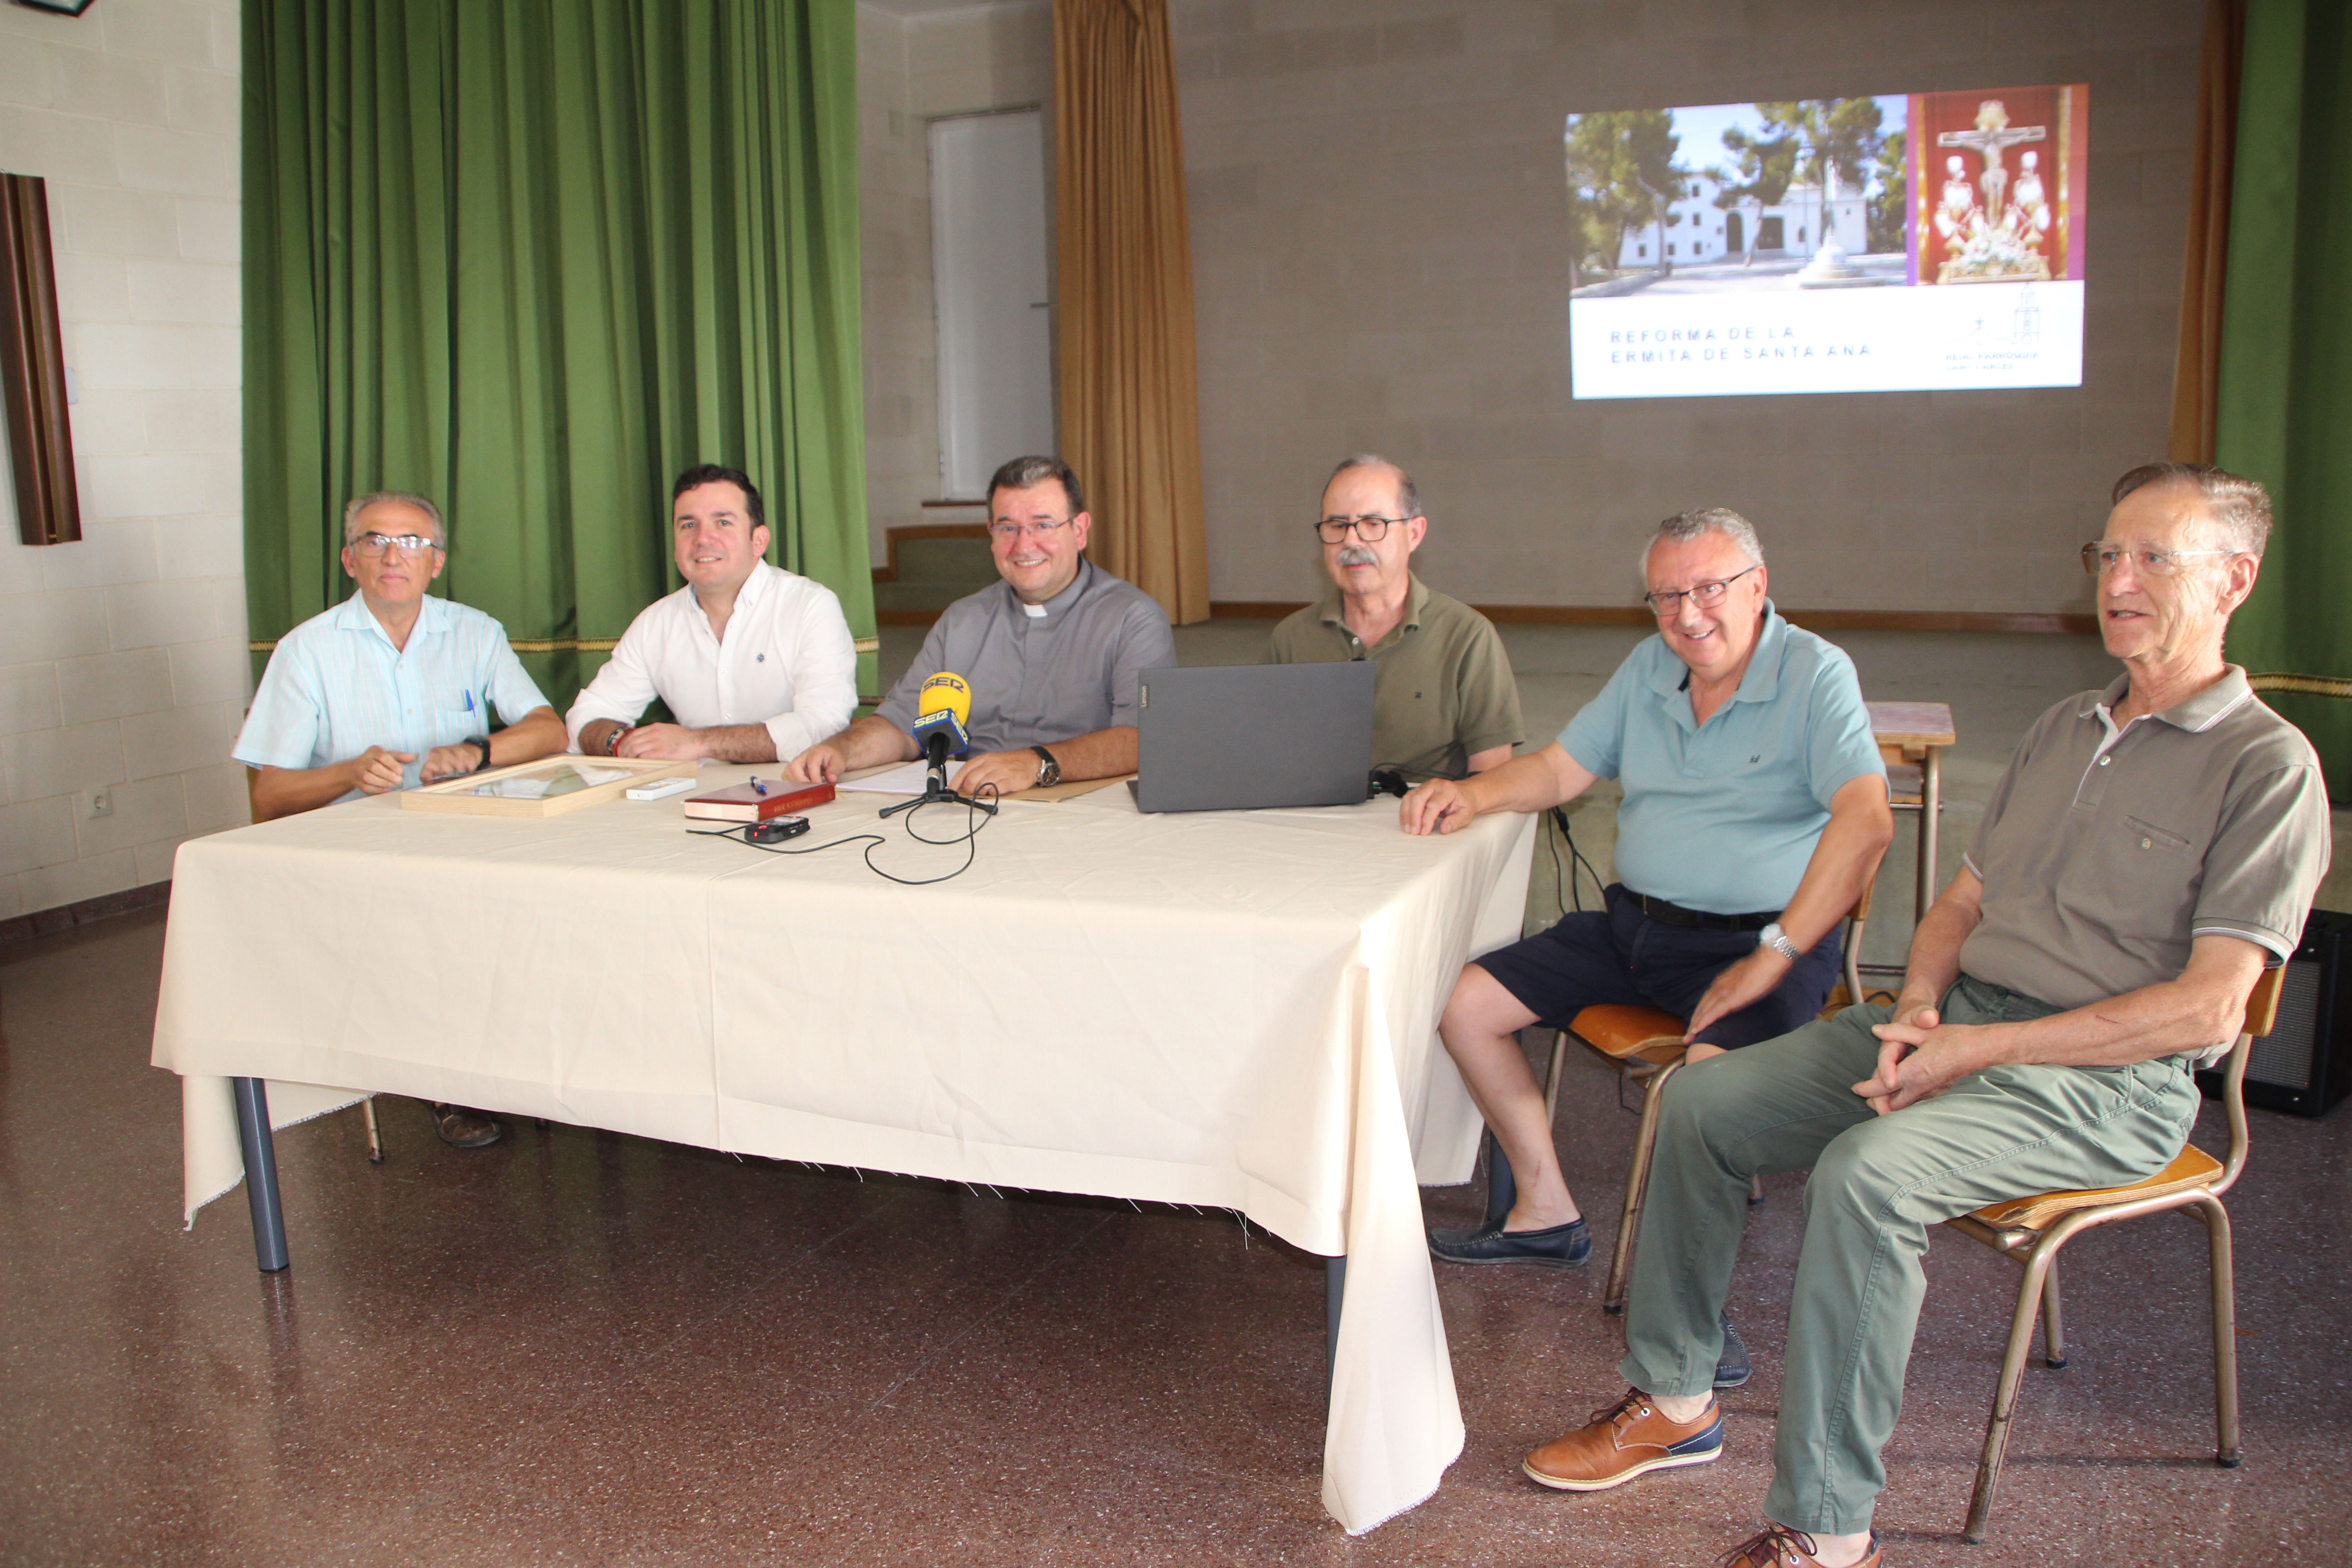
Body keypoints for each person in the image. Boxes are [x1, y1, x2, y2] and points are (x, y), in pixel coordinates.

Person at [1521, 464, 2330, 1568]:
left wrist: (1974, 1048)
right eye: (2106, 555)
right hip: (1962, 1019)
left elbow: (2205, 1005)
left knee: (1867, 1171)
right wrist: (1914, 1008)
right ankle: (1673, 1399)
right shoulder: (2062, 726)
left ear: (2235, 579)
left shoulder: (2264, 765)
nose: (2119, 580)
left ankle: (1824, 1522)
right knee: (1699, 1097)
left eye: (2154, 557)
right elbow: (1957, 902)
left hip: (2108, 1081)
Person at [1400, 507, 1891, 1311]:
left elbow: (1866, 821)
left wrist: (1769, 956)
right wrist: (1470, 791)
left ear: (1758, 586)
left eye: (1707, 589)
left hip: (1760, 944)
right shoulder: (1645, 668)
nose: (1686, 615)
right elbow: (1561, 771)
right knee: (1463, 1003)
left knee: (1704, 1097)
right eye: (1664, 597)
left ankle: (1690, 1321)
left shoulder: (1813, 672)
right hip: (1637, 931)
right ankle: (1542, 1212)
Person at [233, 489, 566, 1148]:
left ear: (436, 561)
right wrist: (348, 773)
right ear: (348, 559)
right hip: (361, 853)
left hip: (467, 837)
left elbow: (549, 731)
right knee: (431, 914)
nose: (394, 555)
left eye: (412, 542)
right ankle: (452, 1081)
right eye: (374, 541)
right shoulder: (307, 651)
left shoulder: (476, 632)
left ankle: (534, 1061)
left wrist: (478, 752)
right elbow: (267, 796)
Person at [784, 456, 1174, 797]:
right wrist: (841, 750)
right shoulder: (962, 619)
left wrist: (1035, 764)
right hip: (969, 802)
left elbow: (1142, 738)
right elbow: (904, 722)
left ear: (1079, 530)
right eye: (1008, 528)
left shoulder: (1133, 618)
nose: (1023, 545)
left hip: (1081, 805)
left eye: (1042, 525)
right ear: (990, 534)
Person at [568, 464, 857, 763]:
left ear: (759, 540)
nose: (703, 539)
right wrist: (624, 742)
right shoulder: (655, 623)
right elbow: (586, 715)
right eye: (689, 525)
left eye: (723, 523)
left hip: (796, 790)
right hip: (688, 796)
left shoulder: (810, 606)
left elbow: (824, 724)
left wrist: (700, 743)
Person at [1267, 455, 1522, 780]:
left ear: (1414, 534)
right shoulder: (1291, 639)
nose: (1351, 541)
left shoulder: (1467, 637)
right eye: (1338, 525)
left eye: (1373, 524)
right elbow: (1266, 757)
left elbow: (1492, 779)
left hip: (1423, 825)